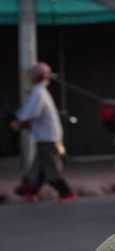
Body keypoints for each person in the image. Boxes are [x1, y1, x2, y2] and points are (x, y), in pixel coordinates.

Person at [10, 62, 75, 203]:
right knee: (39, 167)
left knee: (50, 168)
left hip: (48, 137)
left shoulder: (39, 93)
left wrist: (18, 123)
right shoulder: (38, 91)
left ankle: (66, 192)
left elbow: (30, 113)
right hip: (44, 136)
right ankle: (29, 191)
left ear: (37, 76)